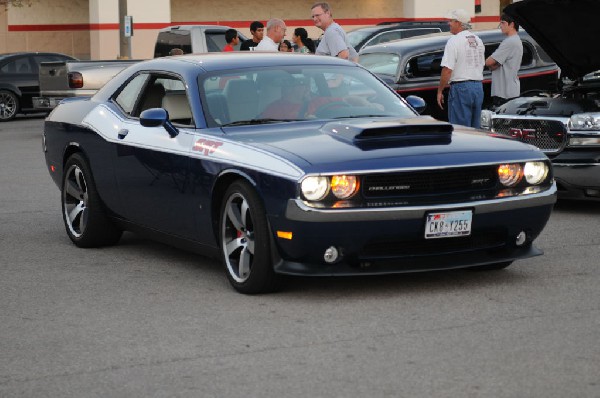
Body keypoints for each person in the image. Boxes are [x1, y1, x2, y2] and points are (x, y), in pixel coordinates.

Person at [436, 9, 485, 128]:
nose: (449, 24)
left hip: (461, 88)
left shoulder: (454, 41)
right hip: (478, 87)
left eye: (451, 21)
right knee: (475, 130)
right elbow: (481, 64)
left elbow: (447, 69)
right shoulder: (478, 40)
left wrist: (440, 90)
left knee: (460, 130)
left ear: (458, 23)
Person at [485, 13, 523, 108]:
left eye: (503, 23)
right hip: (510, 90)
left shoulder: (509, 42)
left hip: (504, 93)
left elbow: (488, 62)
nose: (500, 26)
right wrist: (496, 63)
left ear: (512, 24)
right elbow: (493, 63)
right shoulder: (516, 40)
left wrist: (495, 63)